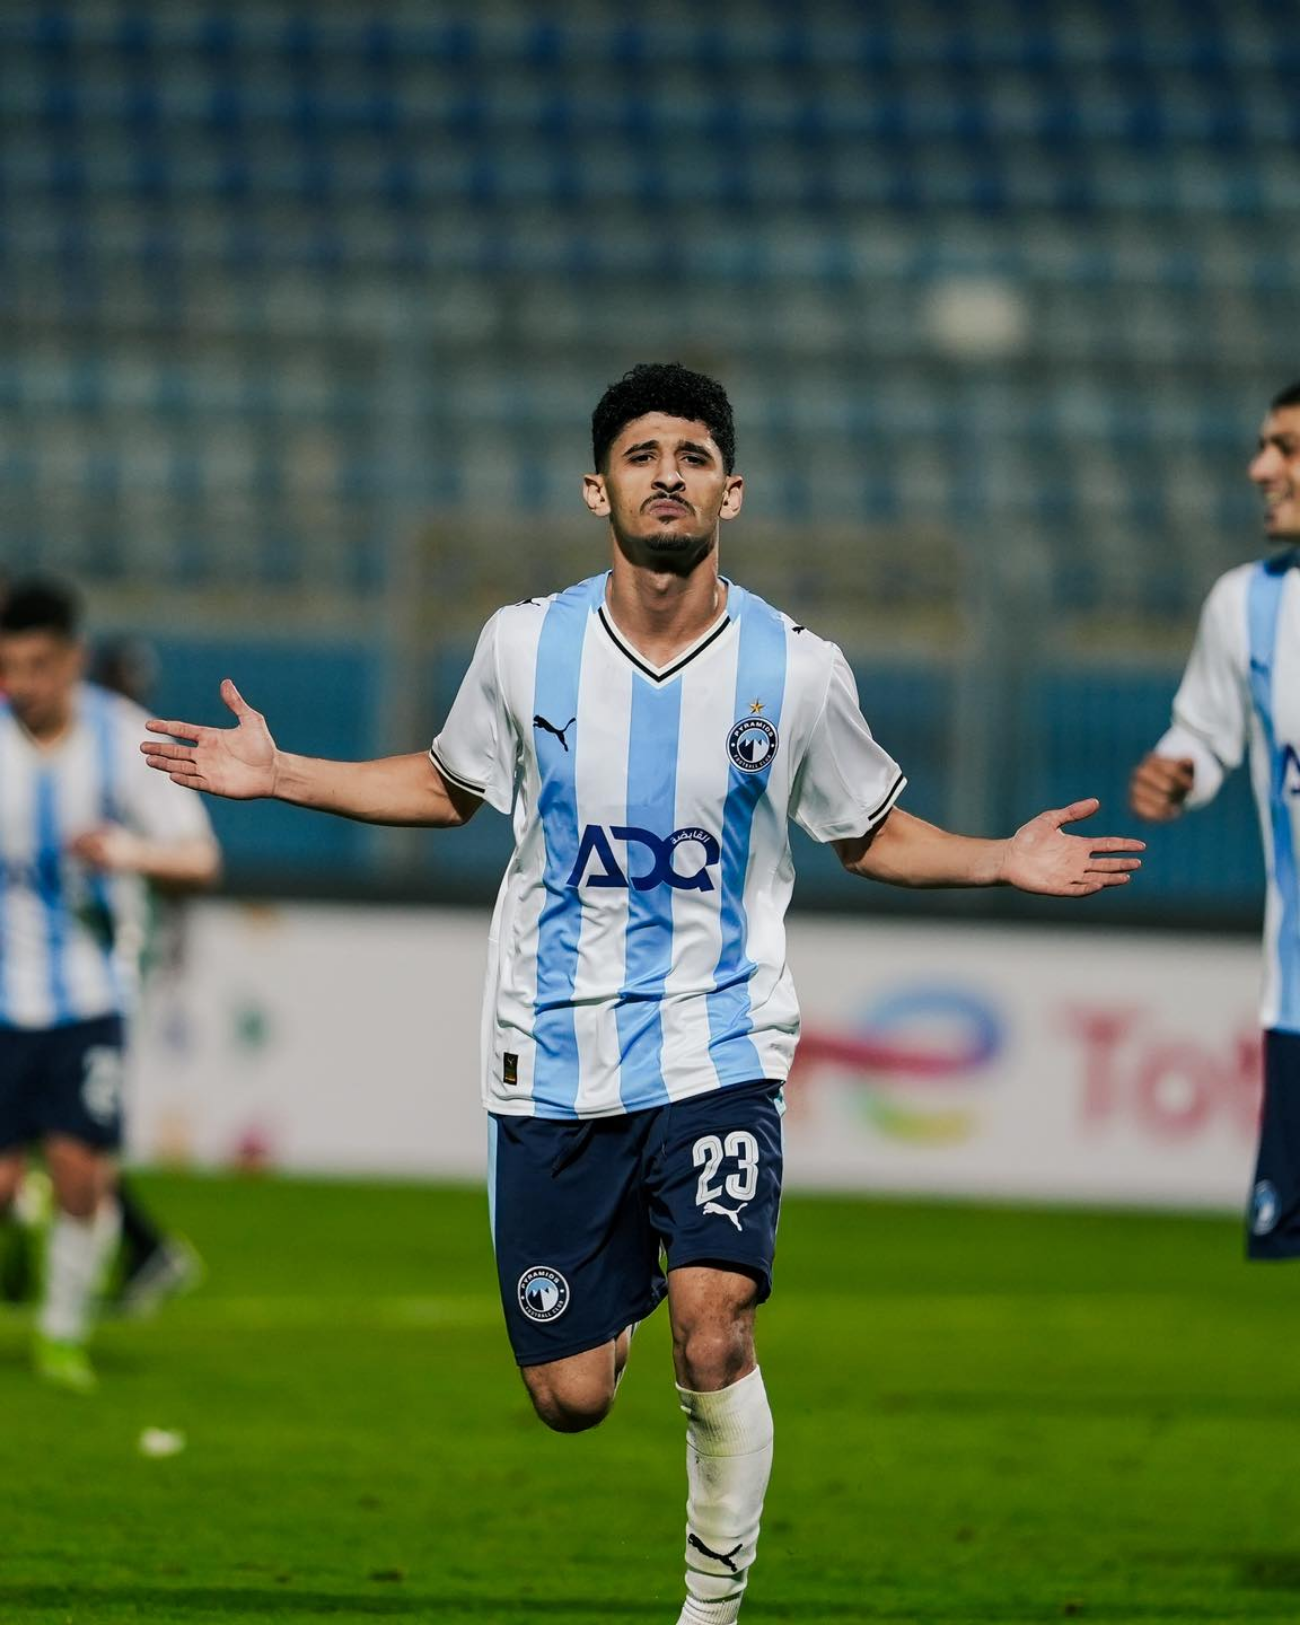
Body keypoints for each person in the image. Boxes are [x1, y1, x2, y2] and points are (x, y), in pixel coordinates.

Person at [143, 363, 1142, 1624]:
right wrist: (284, 773)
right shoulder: (524, 646)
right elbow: (448, 786)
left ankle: (709, 1608)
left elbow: (869, 830)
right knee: (569, 1396)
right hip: (551, 1053)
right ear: (596, 488)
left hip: (721, 1040)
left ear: (732, 490)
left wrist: (998, 855)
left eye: (690, 455)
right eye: (640, 454)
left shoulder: (796, 667)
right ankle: (609, 1301)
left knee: (714, 1322)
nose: (666, 473)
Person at [0, 579, 221, 1391]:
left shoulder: (120, 738)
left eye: (37, 666)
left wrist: (129, 852)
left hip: (89, 997)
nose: (22, 684)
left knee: (79, 1174)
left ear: (73, 660)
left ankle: (61, 1338)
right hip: (2, 998)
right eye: (8, 667)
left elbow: (200, 858)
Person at [1130, 379, 1300, 1257]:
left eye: (1287, 449)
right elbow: (1203, 731)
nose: (1260, 468)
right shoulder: (1249, 604)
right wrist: (1179, 771)